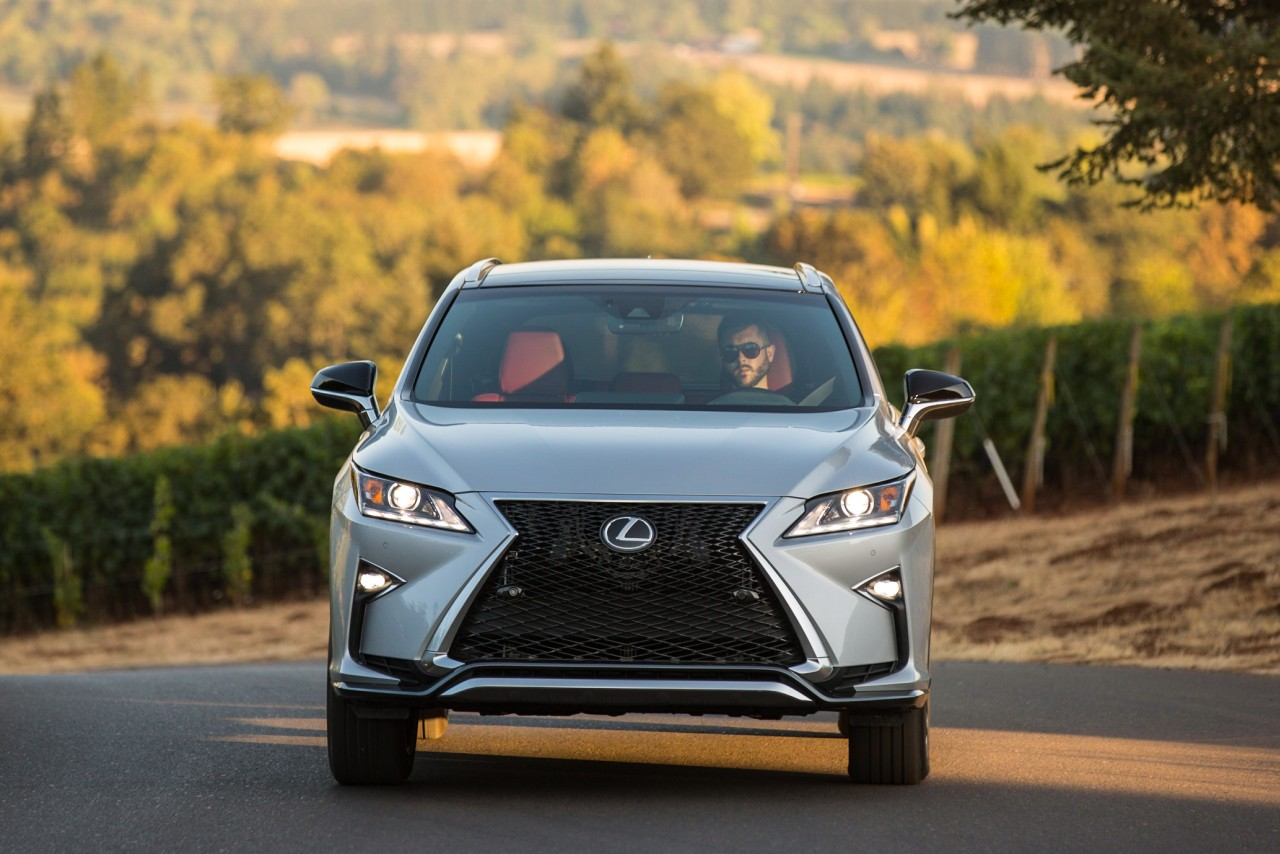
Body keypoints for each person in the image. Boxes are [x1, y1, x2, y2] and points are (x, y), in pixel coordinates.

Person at [717, 314, 776, 391]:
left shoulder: (786, 399)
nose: (740, 359)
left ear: (769, 353)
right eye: (730, 352)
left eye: (750, 349)